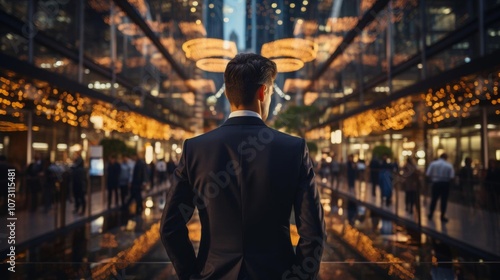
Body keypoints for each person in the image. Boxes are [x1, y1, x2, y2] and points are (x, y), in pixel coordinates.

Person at [160, 53, 325, 280]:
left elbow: (170, 227)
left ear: (228, 92)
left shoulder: (195, 149)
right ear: (262, 92)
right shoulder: (293, 149)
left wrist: (191, 274)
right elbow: (313, 234)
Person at [426, 153, 455, 222]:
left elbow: (428, 174)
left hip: (436, 183)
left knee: (434, 199)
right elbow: (452, 176)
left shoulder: (433, 164)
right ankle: (442, 216)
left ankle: (431, 214)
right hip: (445, 184)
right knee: (444, 201)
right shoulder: (449, 165)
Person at [71, 151, 86, 215]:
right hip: (77, 184)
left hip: (80, 184)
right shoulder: (76, 167)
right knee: (77, 197)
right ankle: (77, 208)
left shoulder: (79, 168)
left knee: (81, 197)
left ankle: (82, 210)